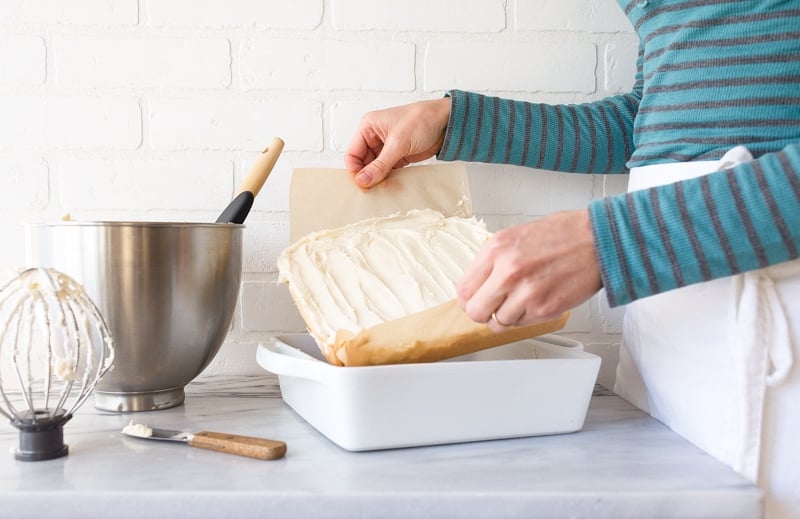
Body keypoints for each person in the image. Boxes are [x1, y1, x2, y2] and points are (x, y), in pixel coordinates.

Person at [344, 2, 799, 518]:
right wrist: (456, 122)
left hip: (773, 288)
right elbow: (654, 119)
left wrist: (615, 242)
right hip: (670, 319)